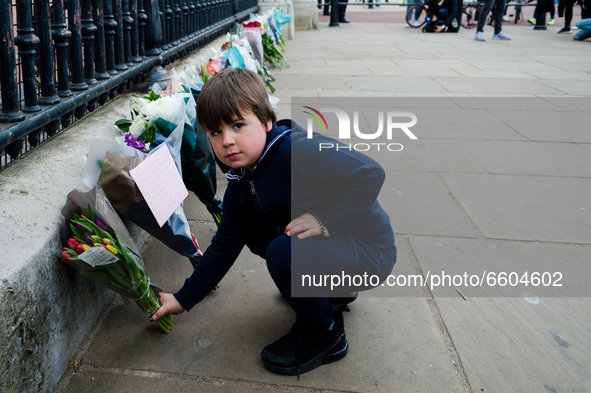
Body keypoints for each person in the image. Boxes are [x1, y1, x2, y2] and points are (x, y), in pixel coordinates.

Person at [151, 69, 397, 377]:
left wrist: (327, 220)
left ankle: (324, 333)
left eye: (238, 125)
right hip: (337, 251)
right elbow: (223, 247)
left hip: (369, 252)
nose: (227, 141)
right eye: (215, 132)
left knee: (284, 251)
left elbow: (370, 173)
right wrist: (182, 299)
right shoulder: (241, 184)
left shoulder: (297, 149)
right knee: (253, 233)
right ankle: (330, 290)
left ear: (267, 121)